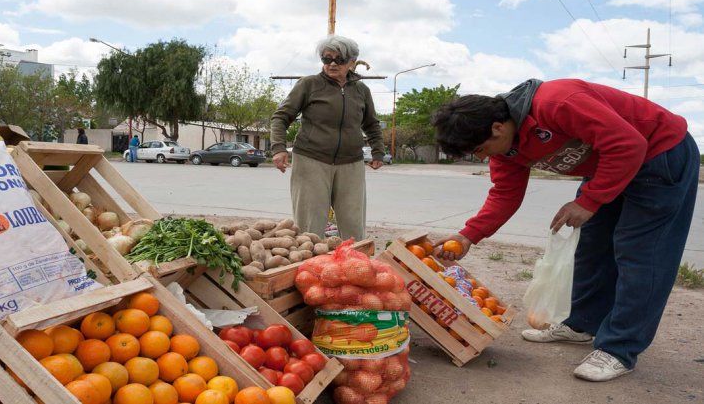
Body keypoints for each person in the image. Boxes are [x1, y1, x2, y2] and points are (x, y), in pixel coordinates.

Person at [432, 78, 698, 382]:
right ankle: (583, 324)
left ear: (497, 127)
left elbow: (629, 144)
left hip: (658, 153)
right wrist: (467, 236)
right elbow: (505, 195)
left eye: (480, 149)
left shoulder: (558, 102)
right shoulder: (506, 149)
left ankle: (619, 349)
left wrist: (590, 200)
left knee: (640, 255)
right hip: (608, 165)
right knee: (592, 247)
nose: (482, 158)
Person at [270, 35, 385, 240]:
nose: (332, 64)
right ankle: (308, 269)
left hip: (351, 162)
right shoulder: (308, 84)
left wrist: (378, 150)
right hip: (311, 160)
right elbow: (281, 117)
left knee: (353, 226)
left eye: (339, 59)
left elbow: (371, 123)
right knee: (309, 227)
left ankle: (354, 267)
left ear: (351, 62)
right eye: (326, 59)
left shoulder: (361, 90)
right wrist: (278, 148)